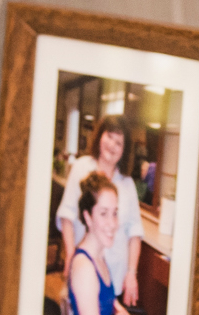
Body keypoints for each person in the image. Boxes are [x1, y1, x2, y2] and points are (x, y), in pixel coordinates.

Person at [62, 170, 161, 315]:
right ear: (88, 217)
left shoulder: (99, 256)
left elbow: (116, 308)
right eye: (103, 213)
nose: (112, 224)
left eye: (115, 213)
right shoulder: (85, 268)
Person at [55, 115, 144, 296]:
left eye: (119, 143)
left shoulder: (127, 185)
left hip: (114, 270)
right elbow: (67, 215)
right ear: (100, 136)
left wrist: (131, 273)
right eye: (109, 136)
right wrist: (70, 255)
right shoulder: (81, 168)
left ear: (124, 151)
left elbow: (134, 232)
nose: (112, 145)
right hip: (85, 264)